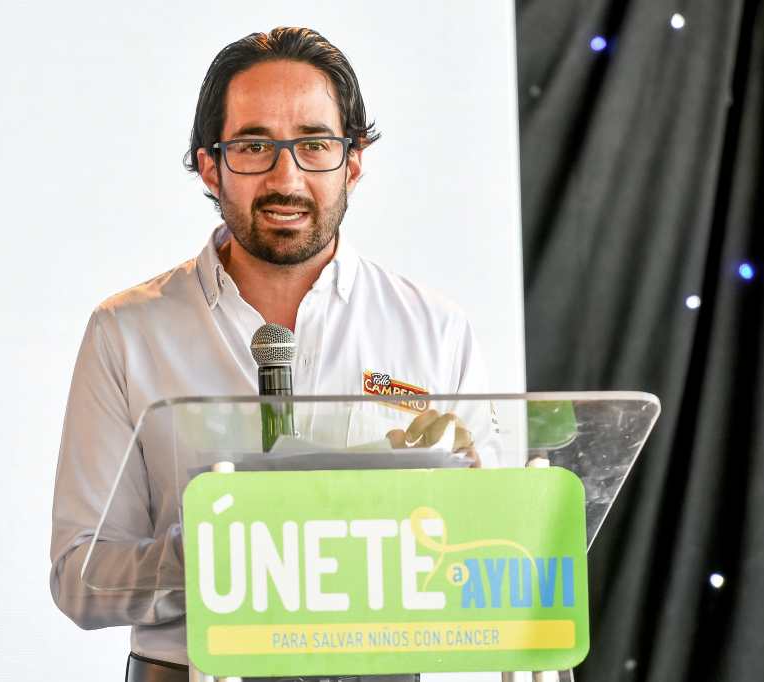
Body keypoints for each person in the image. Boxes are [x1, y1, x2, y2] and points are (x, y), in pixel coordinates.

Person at [50, 26, 494, 682]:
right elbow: (80, 579)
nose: (287, 179)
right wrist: (224, 548)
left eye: (314, 144)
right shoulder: (127, 333)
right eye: (254, 146)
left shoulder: (435, 330)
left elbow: (488, 556)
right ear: (210, 165)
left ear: (353, 161)